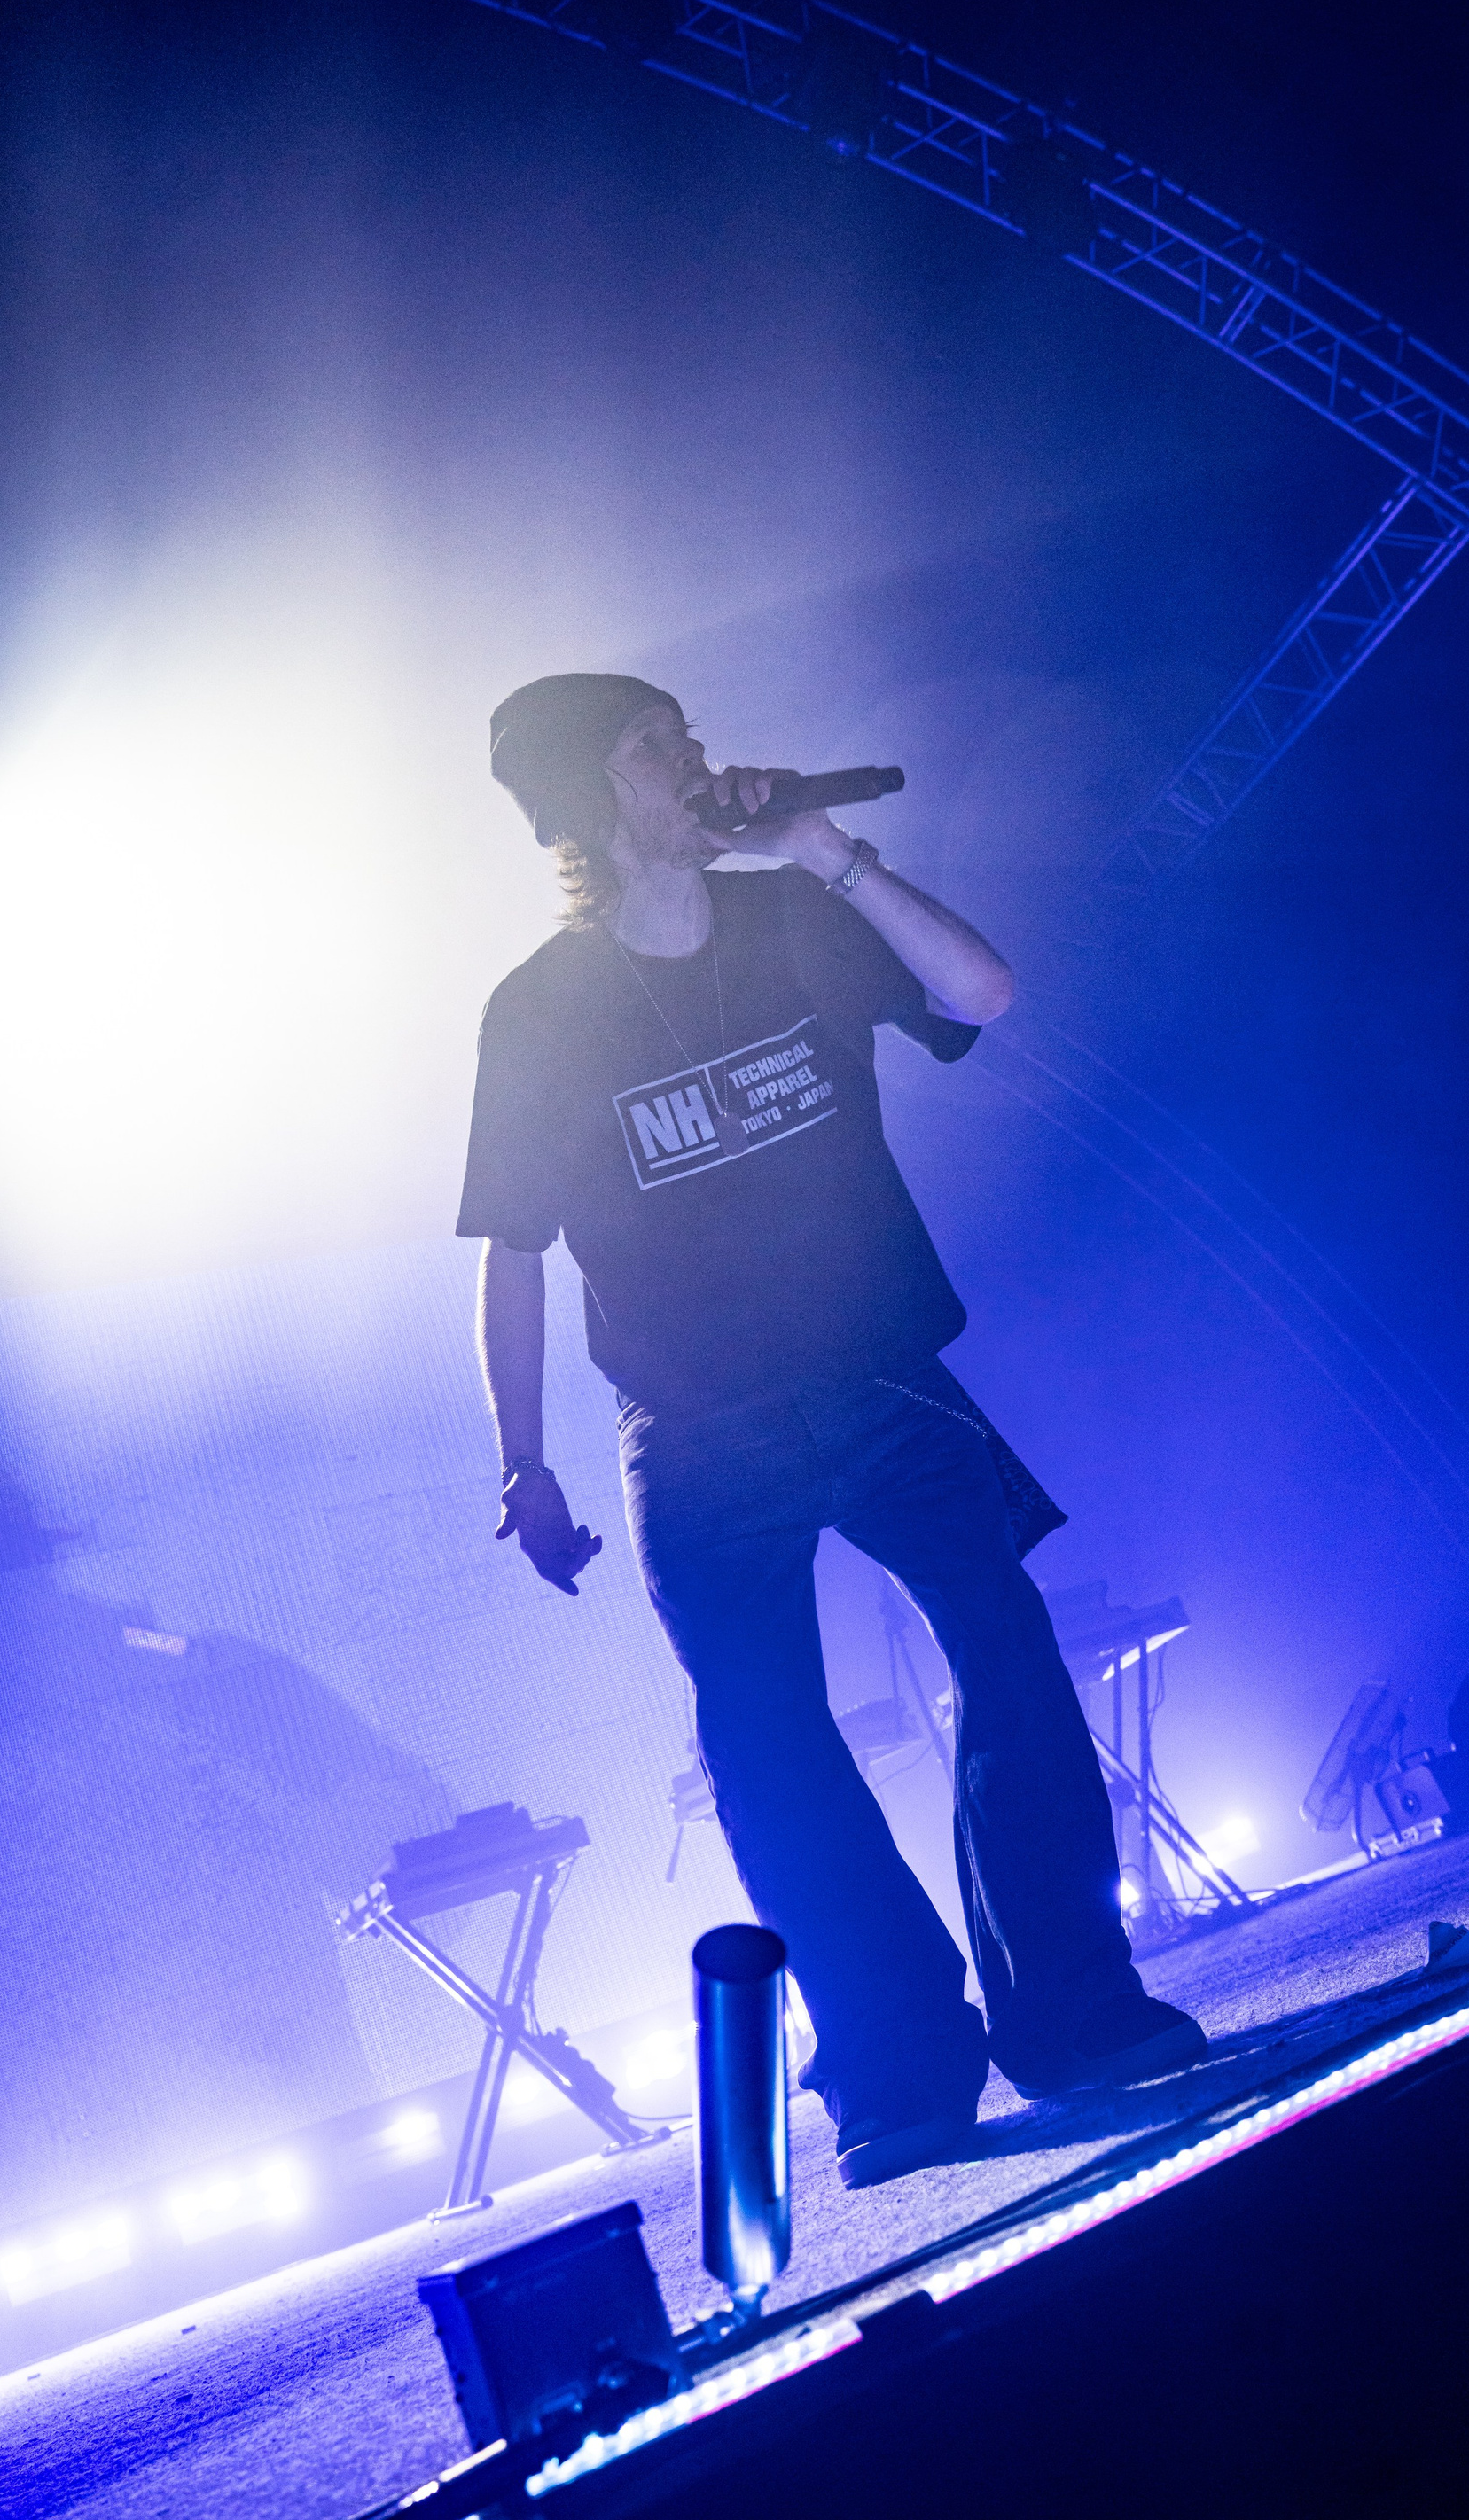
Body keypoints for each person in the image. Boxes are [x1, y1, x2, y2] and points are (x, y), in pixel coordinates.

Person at [457, 672, 1204, 2188]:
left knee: (1008, 1653)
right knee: (769, 1746)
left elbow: (982, 991)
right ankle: (901, 2065)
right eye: (655, 743)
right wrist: (523, 1462)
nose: (695, 753)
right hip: (693, 1425)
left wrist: (823, 849)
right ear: (592, 797)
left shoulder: (797, 915)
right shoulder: (536, 1012)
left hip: (881, 1377)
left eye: (687, 728)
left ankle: (1073, 2013)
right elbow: (511, 1250)